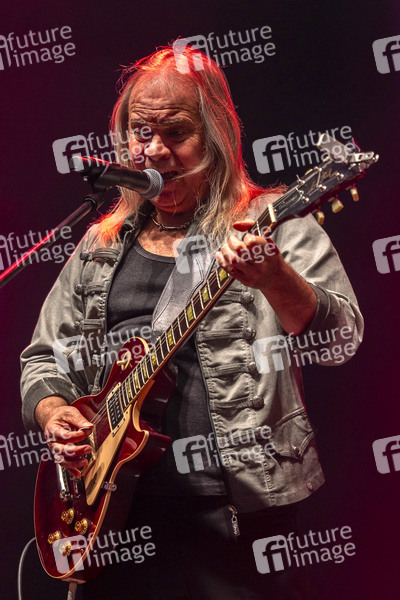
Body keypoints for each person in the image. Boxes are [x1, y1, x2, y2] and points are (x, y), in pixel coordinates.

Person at [21, 45, 363, 599]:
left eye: (176, 133)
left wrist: (276, 278)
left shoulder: (276, 227)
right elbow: (44, 358)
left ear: (216, 137)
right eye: (141, 133)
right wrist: (54, 411)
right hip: (112, 516)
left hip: (235, 519)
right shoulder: (99, 244)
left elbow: (339, 341)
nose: (155, 150)